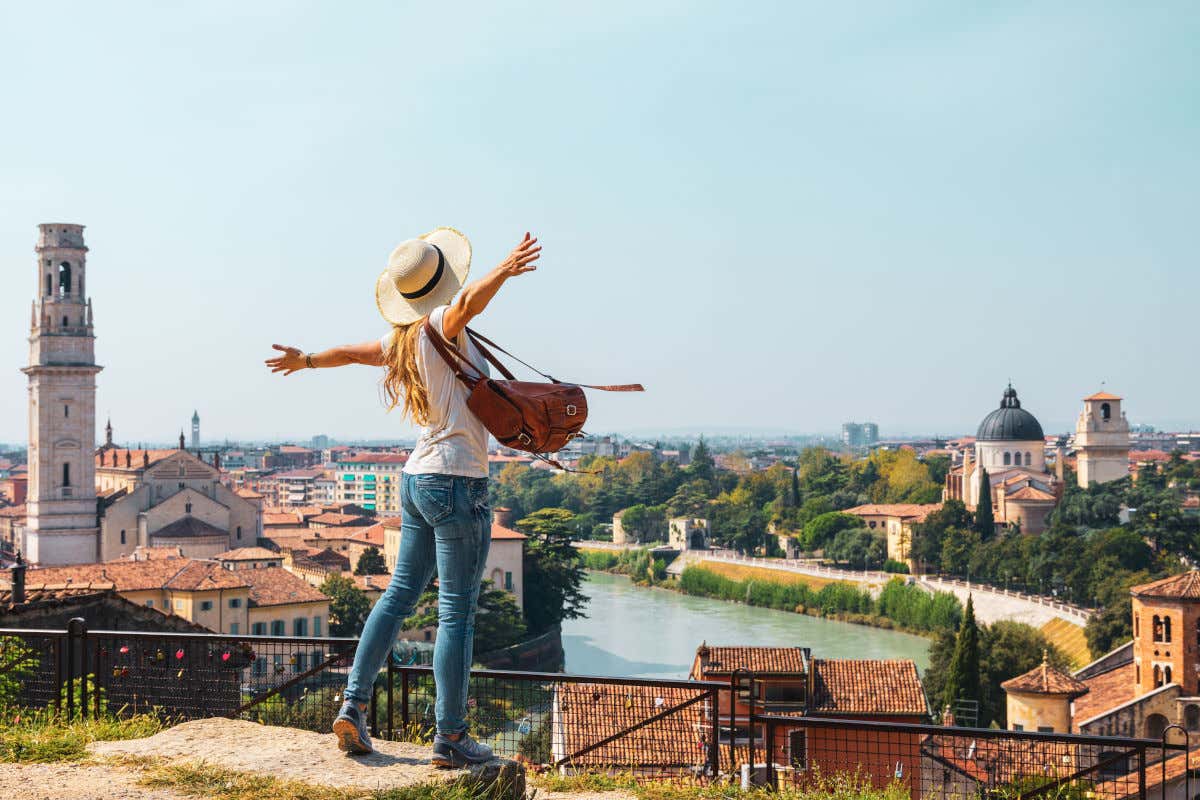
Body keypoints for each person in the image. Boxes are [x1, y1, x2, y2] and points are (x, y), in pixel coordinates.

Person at [265, 227, 541, 766]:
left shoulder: (401, 341)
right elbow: (466, 304)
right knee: (456, 612)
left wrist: (308, 360)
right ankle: (452, 736)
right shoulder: (442, 324)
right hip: (458, 480)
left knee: (396, 597)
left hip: (415, 481)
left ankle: (353, 704)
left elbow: (350, 352)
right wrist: (506, 270)